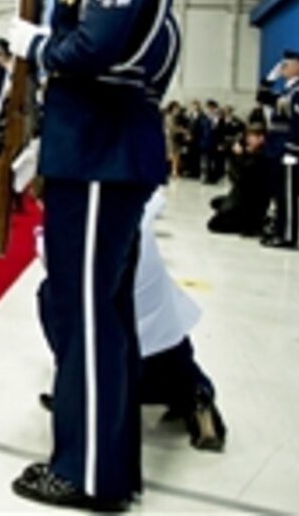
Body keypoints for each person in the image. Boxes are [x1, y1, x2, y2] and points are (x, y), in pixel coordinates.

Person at [6, 0, 187, 510]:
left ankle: (85, 473)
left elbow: (96, 50)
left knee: (86, 312)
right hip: (98, 147)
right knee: (100, 311)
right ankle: (107, 463)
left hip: (100, 151)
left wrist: (35, 44)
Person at [39, 190, 226, 452]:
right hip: (161, 326)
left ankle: (75, 391)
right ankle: (197, 395)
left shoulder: (71, 223)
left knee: (52, 295)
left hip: (119, 342)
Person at [256, 49, 299, 248]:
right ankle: (278, 230)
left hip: (287, 148)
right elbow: (262, 96)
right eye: (283, 65)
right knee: (278, 192)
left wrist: (293, 150)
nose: (284, 68)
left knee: (287, 194)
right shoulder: (286, 92)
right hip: (275, 147)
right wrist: (270, 78)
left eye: (287, 65)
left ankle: (287, 236)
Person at [207, 123, 272, 236]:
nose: (248, 141)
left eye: (251, 137)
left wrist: (239, 157)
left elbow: (241, 178)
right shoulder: (255, 153)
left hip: (250, 201)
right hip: (244, 196)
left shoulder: (261, 157)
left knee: (215, 224)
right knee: (217, 202)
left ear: (261, 138)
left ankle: (254, 224)